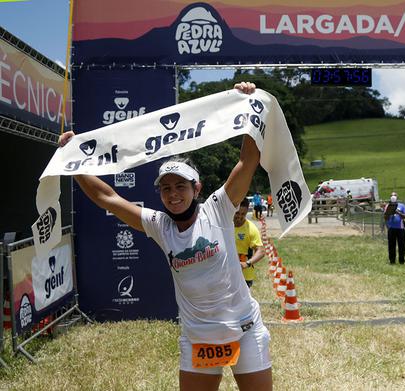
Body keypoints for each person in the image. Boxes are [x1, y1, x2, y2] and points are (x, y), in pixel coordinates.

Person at [58, 82, 273, 391]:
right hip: (198, 338)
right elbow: (108, 199)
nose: (173, 194)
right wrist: (74, 164)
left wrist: (251, 106)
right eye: (166, 188)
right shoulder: (160, 225)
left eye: (181, 186)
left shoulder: (219, 208)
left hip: (245, 329)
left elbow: (248, 161)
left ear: (197, 188)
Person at [234, 198, 265, 288]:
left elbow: (261, 251)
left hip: (244, 276)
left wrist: (247, 263)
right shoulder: (225, 225)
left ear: (247, 212)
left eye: (243, 214)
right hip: (226, 274)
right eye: (237, 213)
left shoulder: (251, 229)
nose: (239, 216)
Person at [384, 195, 405, 264]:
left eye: (394, 204)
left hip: (400, 228)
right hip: (391, 229)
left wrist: (399, 213)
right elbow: (385, 218)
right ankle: (392, 261)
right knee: (391, 245)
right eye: (392, 203)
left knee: (402, 245)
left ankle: (401, 260)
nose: (393, 204)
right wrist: (389, 213)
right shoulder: (387, 206)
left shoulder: (402, 206)